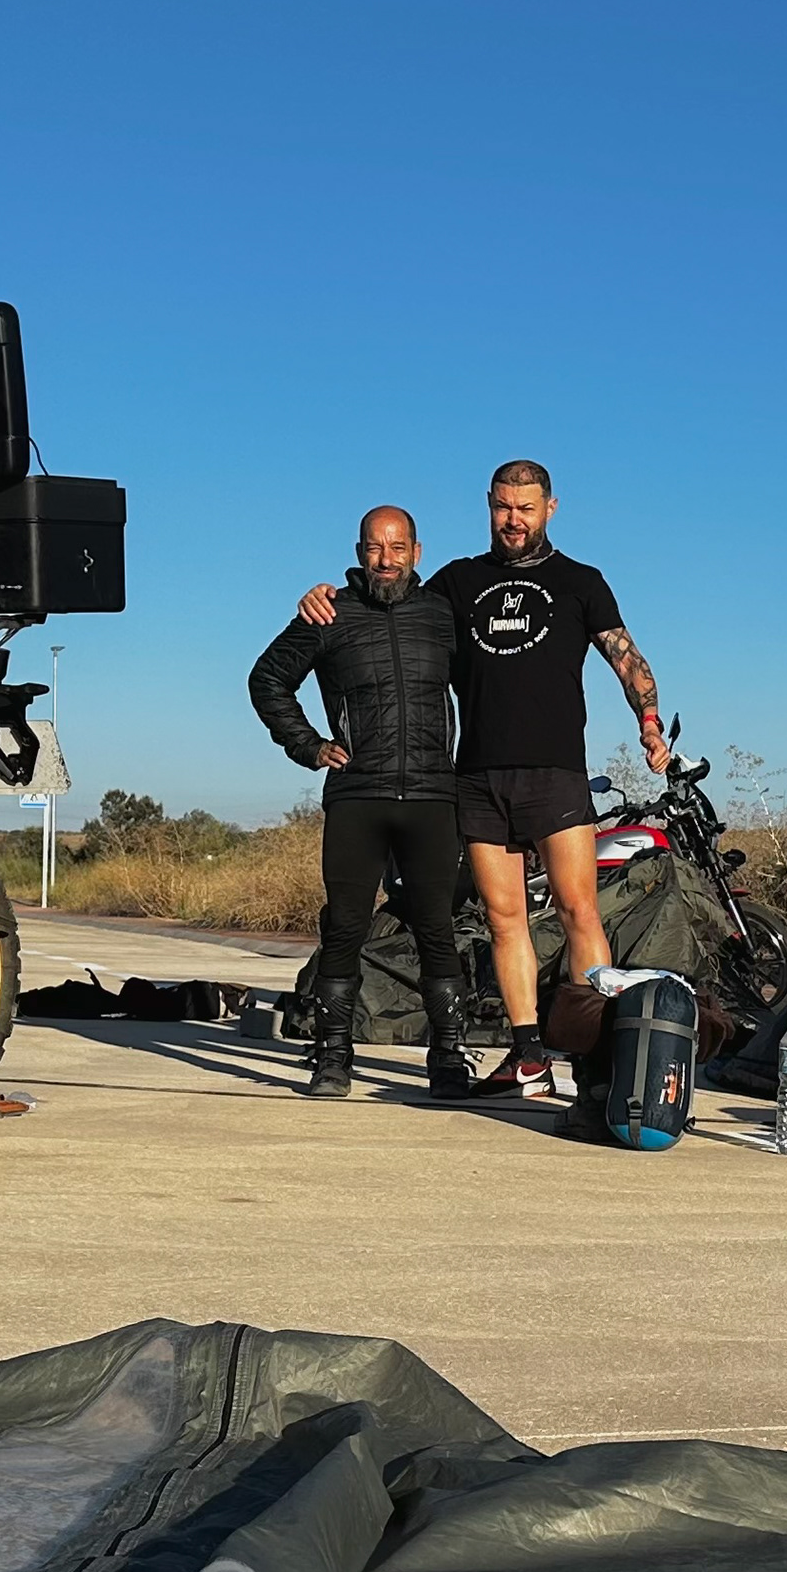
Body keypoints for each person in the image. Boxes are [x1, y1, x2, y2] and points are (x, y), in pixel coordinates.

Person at [298, 458, 669, 1101]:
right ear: (489, 506)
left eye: (526, 508)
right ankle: (528, 1057)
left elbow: (625, 653)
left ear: (550, 508)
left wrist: (650, 720)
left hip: (555, 774)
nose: (514, 520)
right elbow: (390, 602)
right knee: (505, 919)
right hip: (474, 777)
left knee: (581, 909)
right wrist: (328, 594)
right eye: (503, 507)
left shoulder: (581, 582)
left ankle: (593, 1053)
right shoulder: (457, 582)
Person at [248, 505, 470, 1098]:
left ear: (416, 553)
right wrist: (308, 745)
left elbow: (491, 684)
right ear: (358, 550)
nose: (387, 560)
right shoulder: (329, 614)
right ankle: (333, 1056)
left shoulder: (444, 615)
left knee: (436, 930)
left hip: (431, 796)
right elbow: (266, 679)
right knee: (345, 928)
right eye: (375, 548)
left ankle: (447, 1059)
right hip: (356, 797)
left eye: (398, 548)